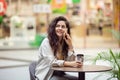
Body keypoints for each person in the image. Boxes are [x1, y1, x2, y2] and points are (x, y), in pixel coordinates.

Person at [35, 16, 82, 80]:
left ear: (67, 29)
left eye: (63, 27)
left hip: (59, 74)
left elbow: (71, 61)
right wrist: (71, 63)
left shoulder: (64, 42)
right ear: (53, 28)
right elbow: (52, 62)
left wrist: (70, 46)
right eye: (57, 26)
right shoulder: (46, 42)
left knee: (77, 79)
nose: (60, 28)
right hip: (47, 76)